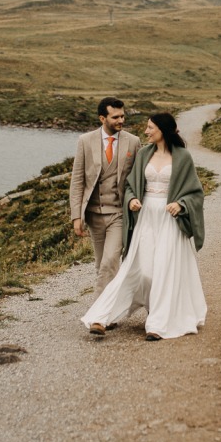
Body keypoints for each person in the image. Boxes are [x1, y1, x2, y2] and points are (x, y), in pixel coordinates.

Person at [81, 112, 207, 341]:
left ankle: (157, 324)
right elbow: (130, 185)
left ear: (163, 130)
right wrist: (131, 200)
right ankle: (101, 317)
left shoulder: (183, 157)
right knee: (137, 269)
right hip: (146, 217)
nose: (146, 131)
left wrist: (181, 204)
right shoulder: (143, 154)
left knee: (162, 271)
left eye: (150, 128)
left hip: (170, 222)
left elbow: (196, 194)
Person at [69, 97, 141, 299]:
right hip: (93, 215)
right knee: (101, 264)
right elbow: (77, 180)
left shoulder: (133, 142)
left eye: (122, 116)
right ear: (103, 118)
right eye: (115, 117)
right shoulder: (85, 141)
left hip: (119, 213)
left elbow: (138, 179)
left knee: (110, 261)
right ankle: (110, 308)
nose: (121, 120)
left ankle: (99, 315)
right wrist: (76, 216)